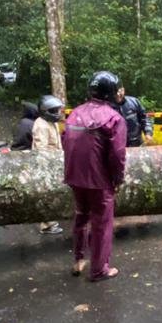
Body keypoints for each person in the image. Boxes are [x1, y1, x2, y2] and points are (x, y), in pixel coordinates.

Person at [64, 72, 127, 281]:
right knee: (101, 222)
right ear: (110, 93)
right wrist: (117, 179)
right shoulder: (113, 118)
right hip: (99, 181)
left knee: (81, 216)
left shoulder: (74, 113)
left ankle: (78, 260)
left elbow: (66, 141)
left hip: (75, 176)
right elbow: (117, 154)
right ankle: (99, 269)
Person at [34, 95, 64, 235]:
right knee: (47, 195)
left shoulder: (52, 123)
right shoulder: (41, 125)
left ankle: (51, 221)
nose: (58, 113)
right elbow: (42, 149)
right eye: (56, 110)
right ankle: (47, 224)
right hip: (46, 164)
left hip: (55, 161)